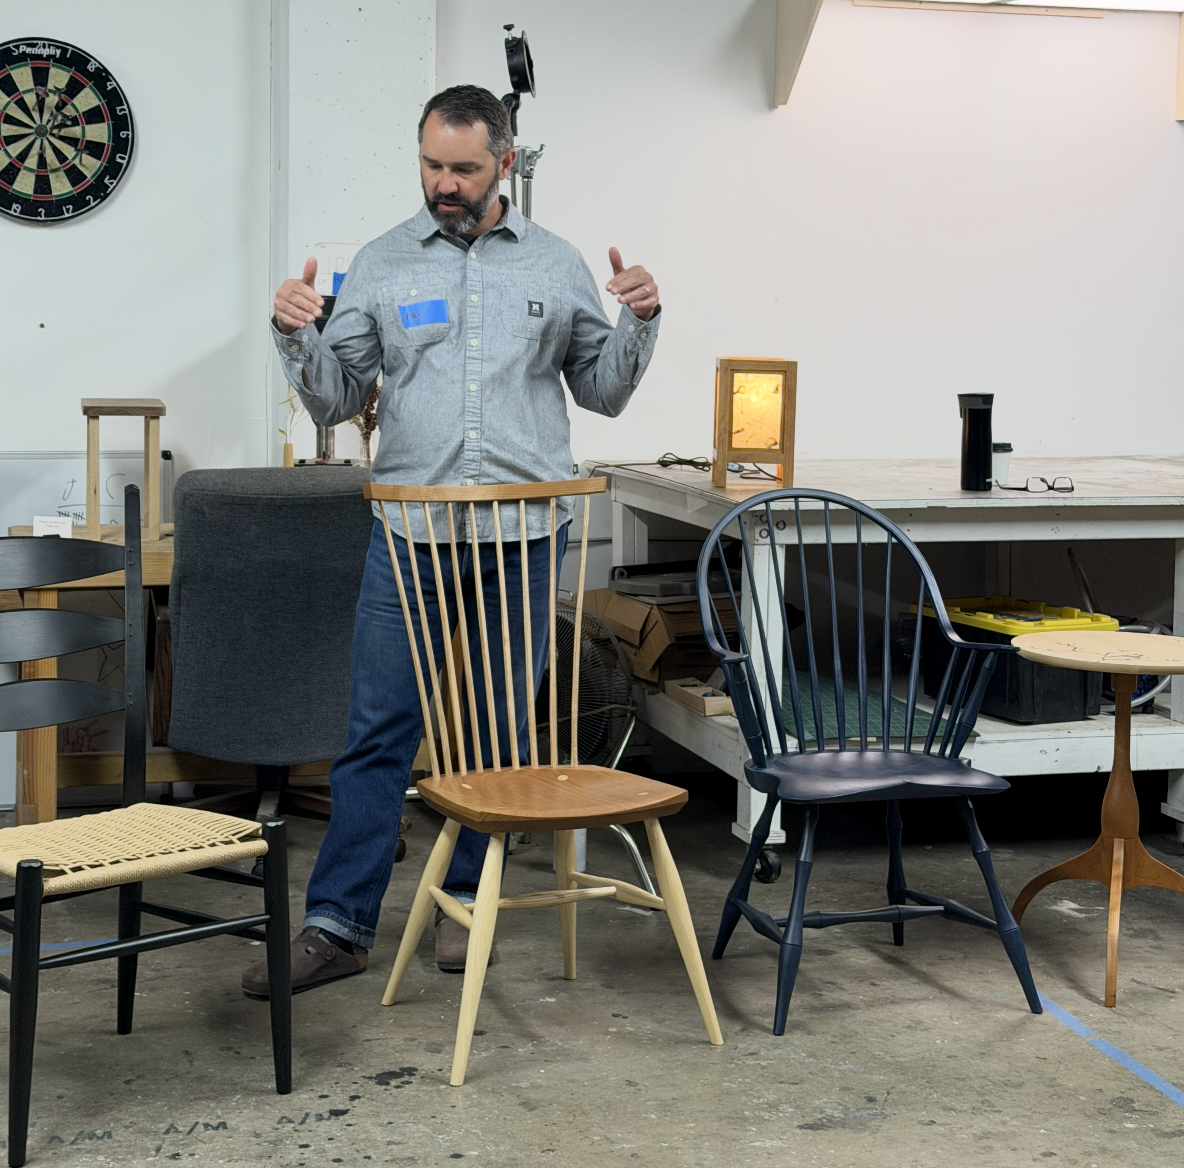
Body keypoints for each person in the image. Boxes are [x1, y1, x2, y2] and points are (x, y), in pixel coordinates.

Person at [243, 85, 661, 997]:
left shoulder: (556, 263)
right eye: (432, 165)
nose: (445, 183)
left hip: (524, 539)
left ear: (505, 164)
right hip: (410, 540)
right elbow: (336, 401)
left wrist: (639, 321)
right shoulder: (385, 263)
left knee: (499, 735)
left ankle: (465, 901)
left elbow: (602, 392)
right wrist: (294, 336)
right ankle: (338, 925)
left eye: (464, 169)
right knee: (376, 733)